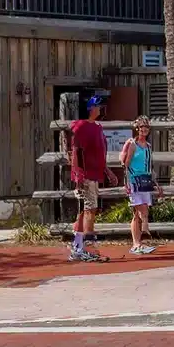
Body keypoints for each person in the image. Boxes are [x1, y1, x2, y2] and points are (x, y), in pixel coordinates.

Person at [66, 91, 113, 262]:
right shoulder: (82, 127)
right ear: (91, 108)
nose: (101, 108)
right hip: (85, 176)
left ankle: (79, 245)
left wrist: (107, 171)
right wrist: (78, 176)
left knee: (88, 209)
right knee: (87, 210)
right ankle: (83, 246)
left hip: (94, 175)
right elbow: (76, 152)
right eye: (99, 105)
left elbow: (99, 153)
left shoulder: (97, 128)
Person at [119, 116, 158, 256]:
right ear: (137, 129)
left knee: (143, 211)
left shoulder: (148, 146)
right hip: (135, 180)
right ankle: (137, 243)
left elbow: (149, 166)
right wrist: (127, 182)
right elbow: (126, 164)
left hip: (146, 180)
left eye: (146, 127)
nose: (144, 130)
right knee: (139, 211)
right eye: (142, 127)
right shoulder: (132, 144)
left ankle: (138, 242)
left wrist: (155, 183)